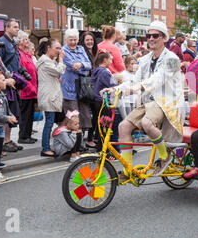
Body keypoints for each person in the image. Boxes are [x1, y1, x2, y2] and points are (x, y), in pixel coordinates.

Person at [101, 20, 185, 180]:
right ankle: (127, 170)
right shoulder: (146, 59)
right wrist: (115, 89)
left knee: (147, 123)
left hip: (167, 102)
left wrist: (134, 89)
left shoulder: (172, 59)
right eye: (149, 35)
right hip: (150, 102)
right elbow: (134, 79)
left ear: (164, 38)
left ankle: (164, 155)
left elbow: (157, 79)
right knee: (123, 126)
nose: (151, 38)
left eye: (155, 35)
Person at [61, 28, 93, 141]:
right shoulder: (63, 50)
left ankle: (80, 142)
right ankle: (72, 144)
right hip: (70, 89)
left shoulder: (80, 49)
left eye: (75, 40)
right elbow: (71, 65)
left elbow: (89, 64)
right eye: (71, 40)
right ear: (66, 40)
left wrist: (81, 65)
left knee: (84, 116)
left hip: (82, 89)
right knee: (73, 118)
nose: (73, 42)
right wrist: (84, 69)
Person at [36, 38, 66, 157]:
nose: (59, 51)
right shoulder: (45, 61)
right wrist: (61, 59)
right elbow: (59, 71)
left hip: (51, 95)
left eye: (60, 48)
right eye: (57, 48)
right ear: (49, 48)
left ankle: (49, 146)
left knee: (50, 122)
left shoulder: (49, 61)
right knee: (49, 123)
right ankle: (45, 148)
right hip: (49, 96)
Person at [0, 18, 23, 153]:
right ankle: (3, 141)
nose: (17, 29)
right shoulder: (2, 42)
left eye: (17, 27)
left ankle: (7, 139)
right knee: (5, 112)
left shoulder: (13, 43)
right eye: (14, 27)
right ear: (7, 28)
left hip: (13, 82)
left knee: (11, 111)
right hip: (5, 83)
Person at [92, 52, 119, 154]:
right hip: (105, 102)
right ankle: (103, 149)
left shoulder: (97, 71)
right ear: (105, 60)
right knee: (106, 126)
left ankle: (101, 148)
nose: (111, 61)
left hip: (99, 101)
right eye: (110, 59)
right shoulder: (104, 72)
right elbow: (113, 85)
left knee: (102, 125)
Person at [16, 30, 38, 144]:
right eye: (25, 39)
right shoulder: (19, 54)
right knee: (25, 114)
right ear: (19, 42)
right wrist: (29, 86)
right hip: (26, 89)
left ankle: (27, 134)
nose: (28, 41)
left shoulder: (25, 54)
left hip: (31, 89)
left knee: (30, 114)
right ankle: (23, 136)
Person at [79, 31, 99, 148]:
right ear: (83, 41)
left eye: (91, 40)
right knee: (84, 115)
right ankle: (84, 140)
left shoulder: (95, 52)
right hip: (86, 87)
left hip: (94, 86)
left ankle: (91, 137)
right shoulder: (83, 53)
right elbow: (87, 70)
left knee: (96, 113)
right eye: (87, 40)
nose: (90, 42)